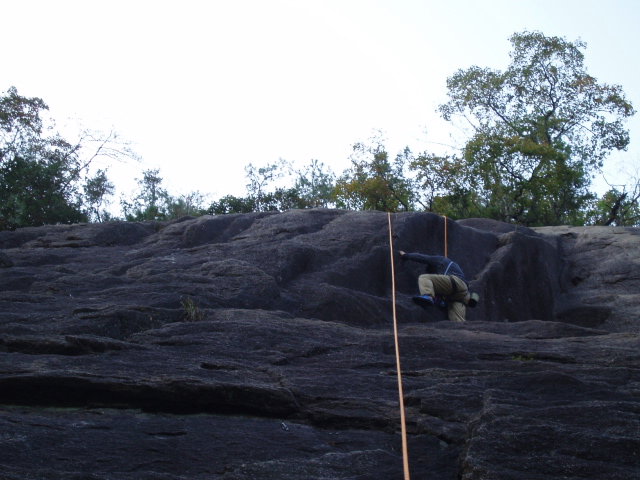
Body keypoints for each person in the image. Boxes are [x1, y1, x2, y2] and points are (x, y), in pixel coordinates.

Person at [399, 250, 478, 322]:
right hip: (462, 294)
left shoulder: (440, 260)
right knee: (457, 322)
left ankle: (428, 296)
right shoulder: (455, 267)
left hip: (455, 283)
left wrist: (406, 255)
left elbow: (422, 258)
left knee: (424, 277)